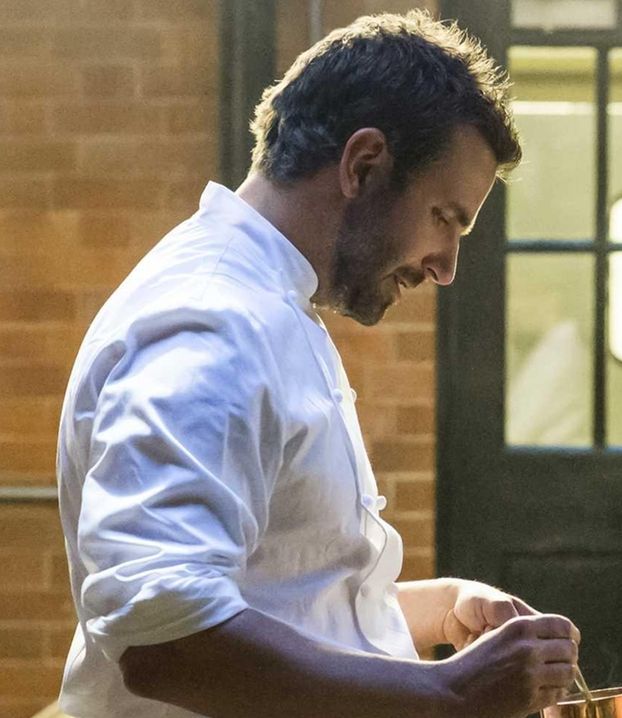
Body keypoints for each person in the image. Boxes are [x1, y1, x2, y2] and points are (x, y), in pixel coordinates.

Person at [56, 11, 579, 718]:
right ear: (364, 165)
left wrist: (436, 609)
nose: (447, 265)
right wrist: (445, 693)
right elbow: (163, 635)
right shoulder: (214, 321)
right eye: (445, 218)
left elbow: (277, 597)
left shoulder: (267, 305)